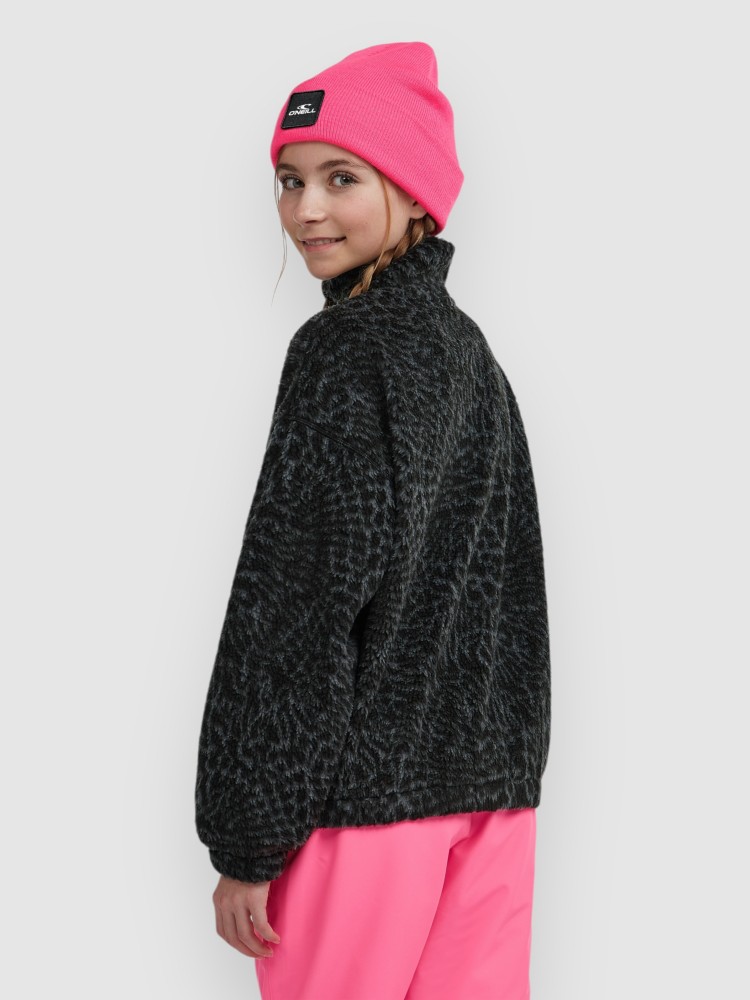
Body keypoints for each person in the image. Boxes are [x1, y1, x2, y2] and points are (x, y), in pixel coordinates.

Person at [194, 41, 551, 1000]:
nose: (305, 209)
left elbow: (297, 603)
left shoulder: (343, 349)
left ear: (413, 189)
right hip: (490, 804)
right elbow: (508, 597)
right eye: (289, 180)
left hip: (363, 808)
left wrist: (247, 834)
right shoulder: (470, 355)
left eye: (341, 177)